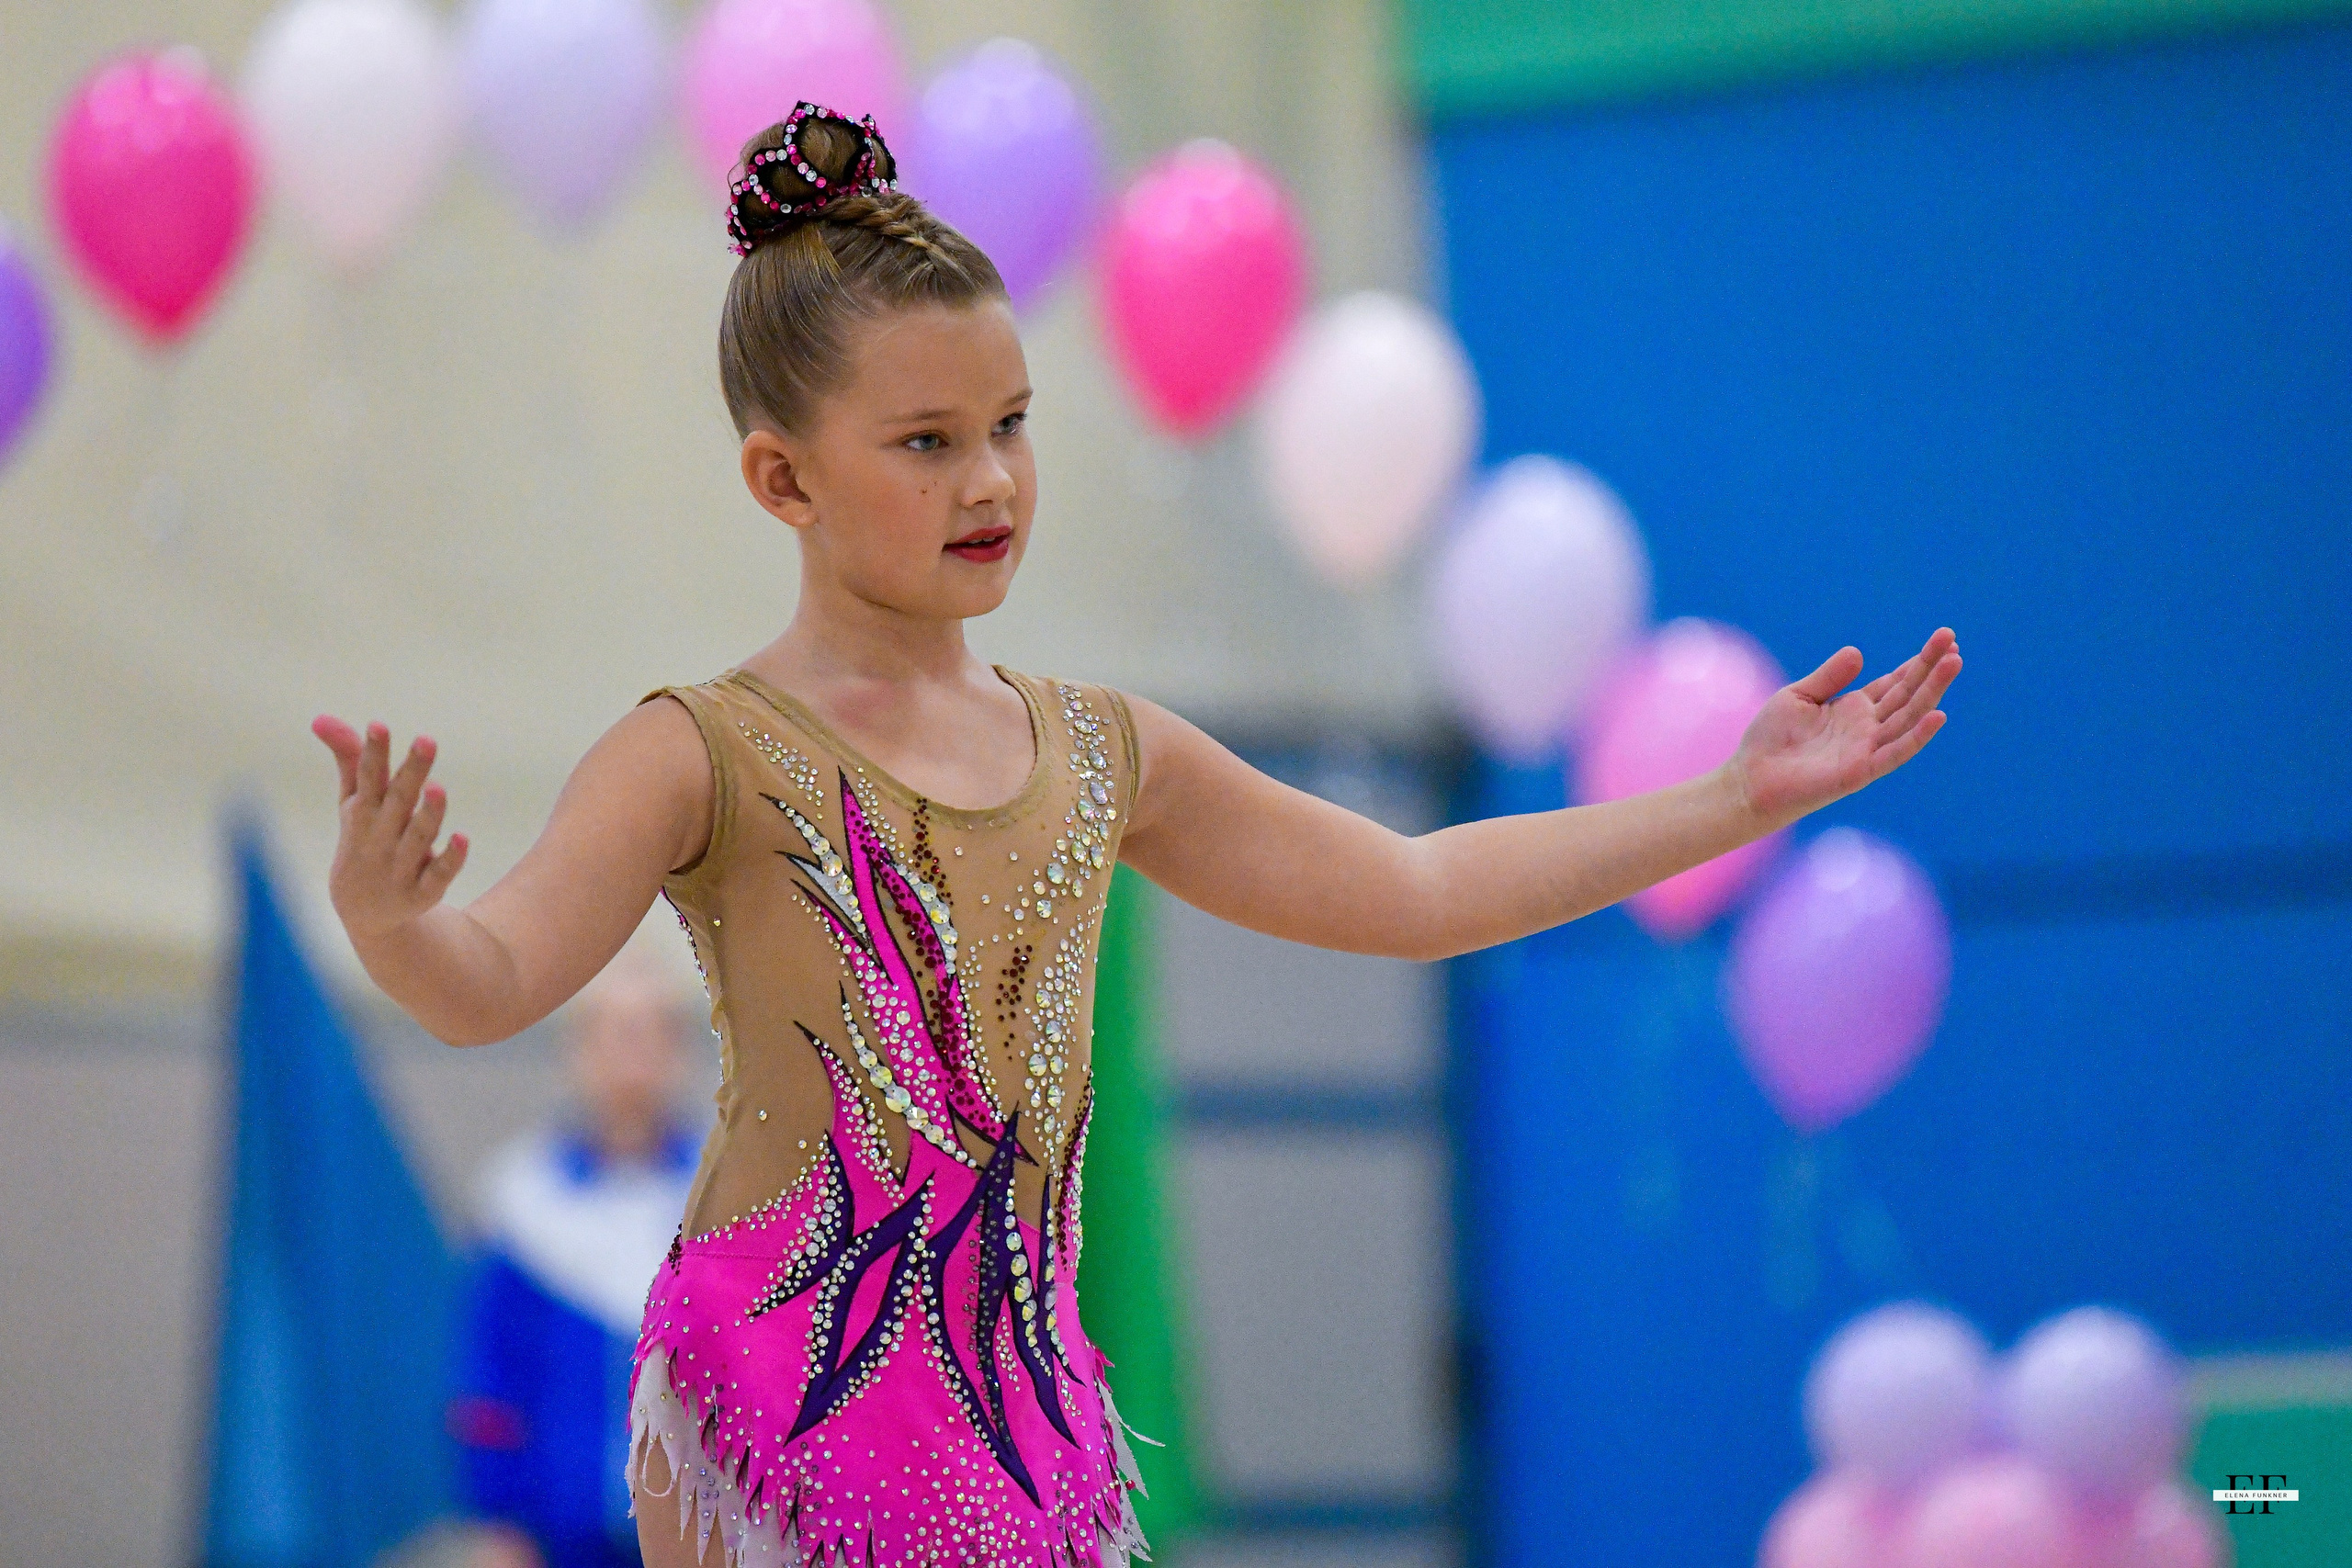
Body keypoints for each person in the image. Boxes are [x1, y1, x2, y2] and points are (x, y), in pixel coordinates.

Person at [309, 103, 1961, 1568]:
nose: (994, 479)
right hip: (773, 1413)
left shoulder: (1103, 749)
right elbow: (492, 975)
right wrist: (398, 929)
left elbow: (1420, 886)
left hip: (1027, 1433)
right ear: (781, 478)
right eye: (927, 441)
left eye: (1013, 422)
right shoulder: (701, 752)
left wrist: (1727, 801)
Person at [445, 946, 703, 1568]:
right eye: (615, 1032)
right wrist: (497, 1521)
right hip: (556, 1541)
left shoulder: (726, 1198)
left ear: (680, 1050)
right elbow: (488, 1379)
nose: (632, 1054)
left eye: (651, 1033)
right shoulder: (522, 1198)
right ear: (577, 1048)